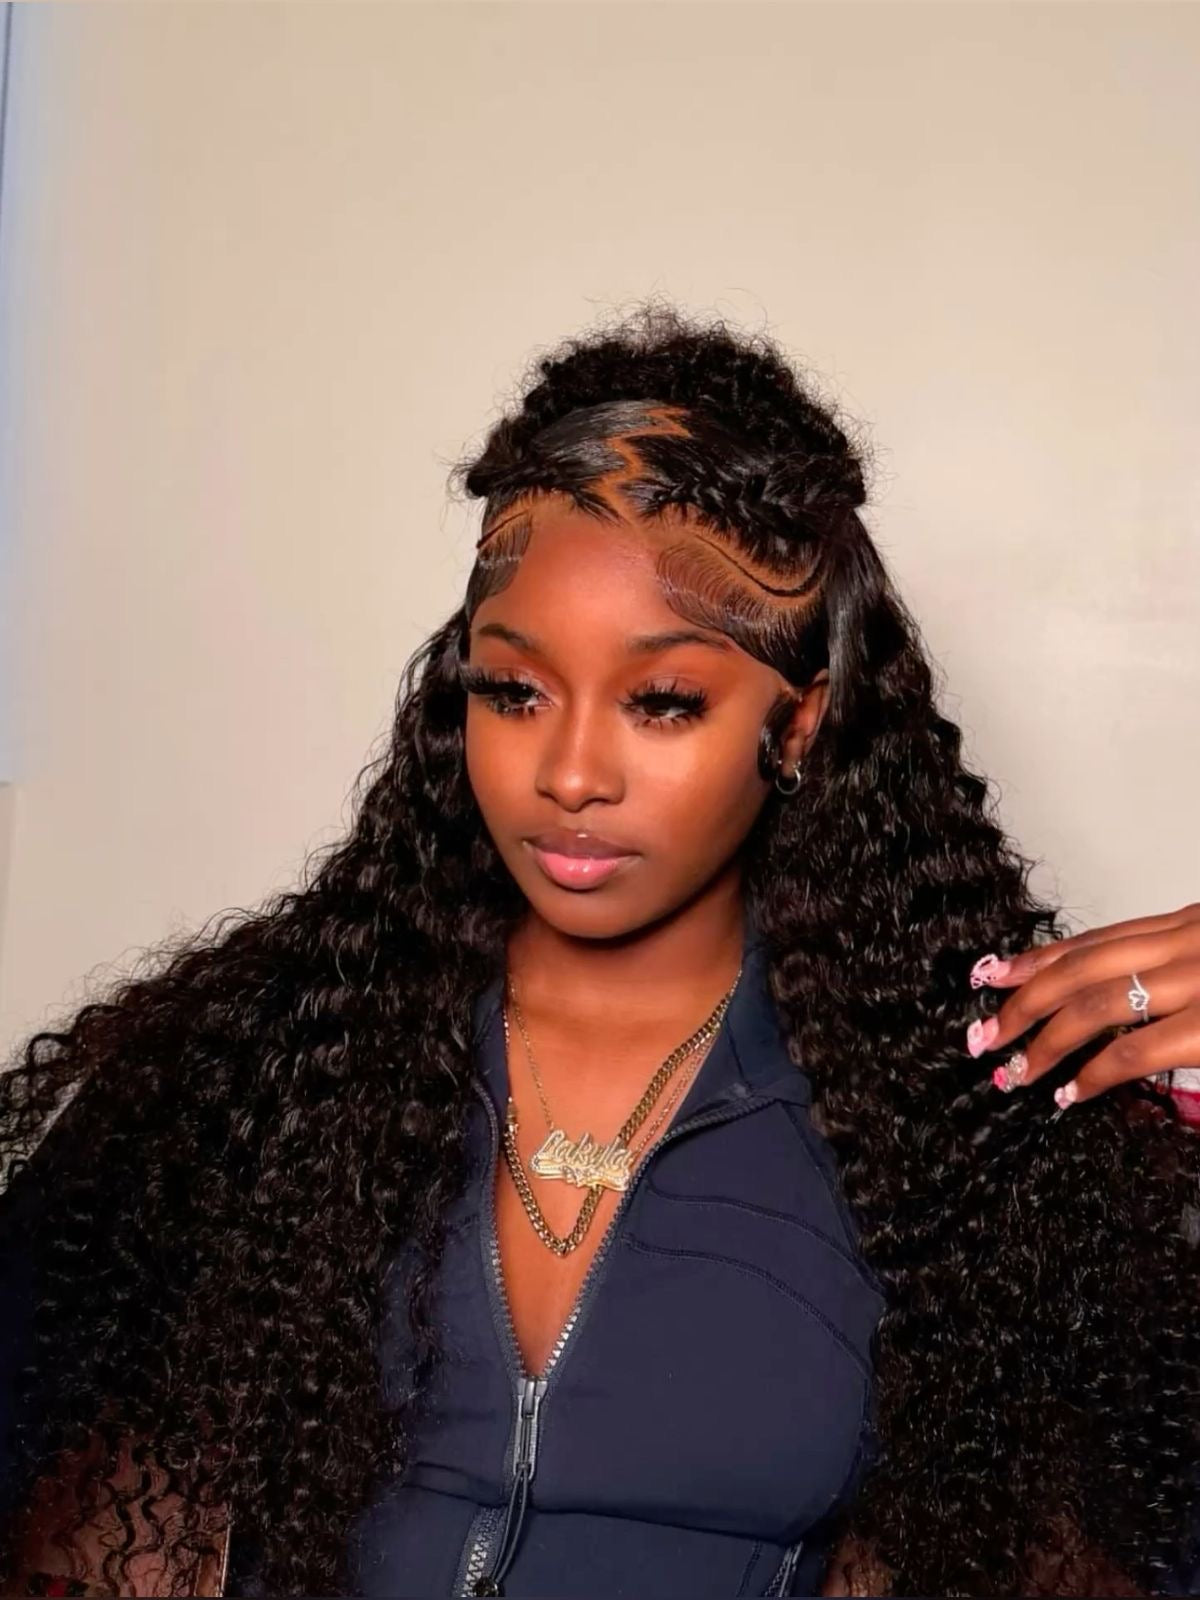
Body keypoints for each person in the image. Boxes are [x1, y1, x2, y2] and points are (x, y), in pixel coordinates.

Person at [2, 301, 1199, 1599]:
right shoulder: (261, 1065)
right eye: (512, 690)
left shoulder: (956, 1119)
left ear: (800, 725)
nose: (570, 773)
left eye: (663, 701)